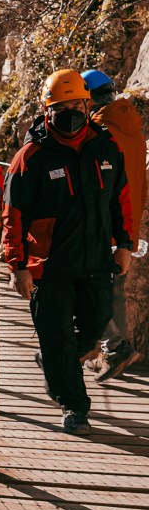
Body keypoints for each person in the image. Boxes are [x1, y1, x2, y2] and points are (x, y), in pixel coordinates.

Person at [3, 68, 134, 434]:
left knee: (96, 323)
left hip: (96, 261)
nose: (70, 112)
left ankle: (56, 361)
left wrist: (124, 245)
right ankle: (74, 406)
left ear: (88, 104)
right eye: (62, 106)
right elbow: (13, 215)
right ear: (47, 111)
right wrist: (18, 266)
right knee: (56, 334)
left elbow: (120, 200)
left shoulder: (106, 148)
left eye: (76, 104)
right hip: (48, 267)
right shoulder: (31, 156)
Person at [83, 68, 146, 381]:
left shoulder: (100, 131)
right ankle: (110, 353)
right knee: (114, 289)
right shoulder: (133, 127)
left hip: (105, 224)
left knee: (90, 290)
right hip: (128, 223)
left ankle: (113, 348)